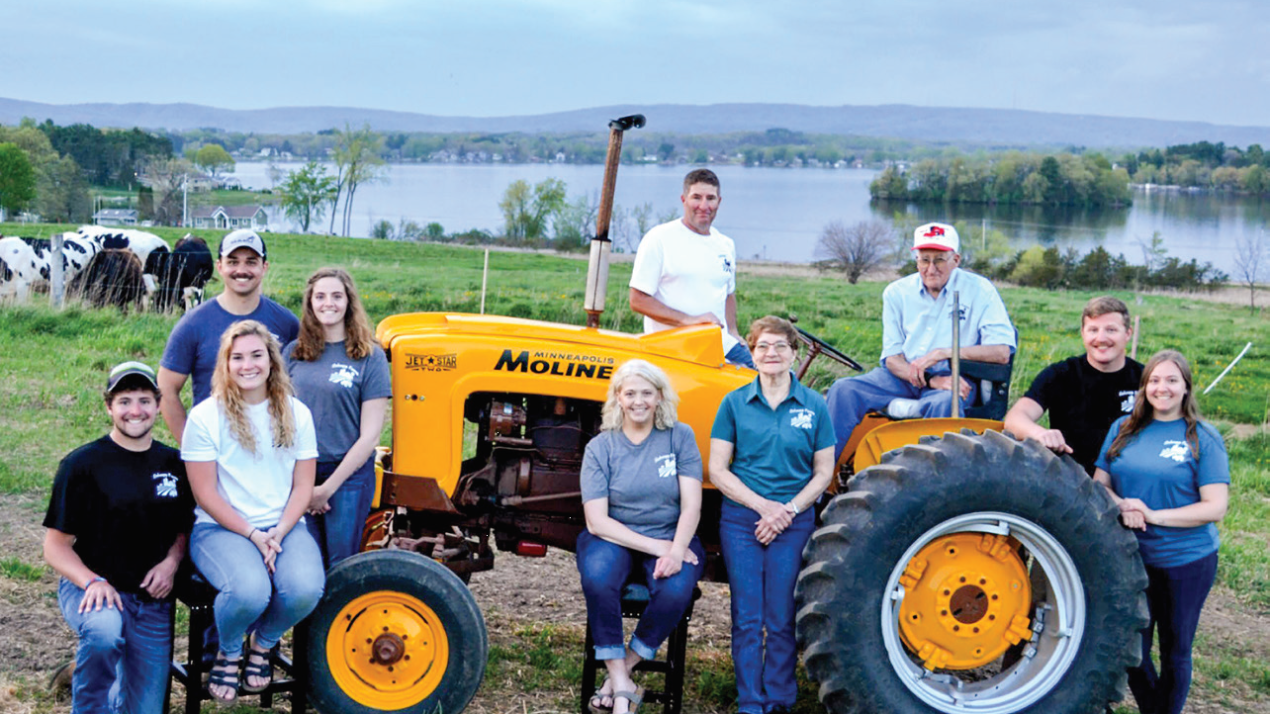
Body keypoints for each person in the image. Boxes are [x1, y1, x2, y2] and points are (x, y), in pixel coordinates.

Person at [182, 320, 325, 705]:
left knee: (305, 588)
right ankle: (230, 650)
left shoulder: (297, 413)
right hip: (222, 528)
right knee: (250, 592)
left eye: (256, 356)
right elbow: (205, 493)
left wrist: (278, 531)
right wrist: (252, 534)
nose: (248, 365)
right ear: (225, 365)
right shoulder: (205, 416)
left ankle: (262, 645)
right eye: (238, 357)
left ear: (272, 361)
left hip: (284, 525)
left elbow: (302, 487)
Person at [43, 361, 193, 714]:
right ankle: (91, 703)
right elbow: (55, 546)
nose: (135, 410)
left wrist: (172, 563)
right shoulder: (82, 465)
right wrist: (92, 581)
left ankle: (100, 677)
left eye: (144, 400)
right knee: (105, 631)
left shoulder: (174, 464)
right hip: (95, 589)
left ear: (158, 405)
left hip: (152, 601)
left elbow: (184, 528)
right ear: (109, 406)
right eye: (124, 401)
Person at [709, 316, 835, 714]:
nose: (772, 354)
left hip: (794, 523)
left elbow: (824, 472)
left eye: (781, 346)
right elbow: (717, 469)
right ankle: (750, 700)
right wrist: (763, 508)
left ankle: (779, 698)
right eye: (763, 346)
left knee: (781, 615)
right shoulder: (734, 403)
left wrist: (789, 511)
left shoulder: (814, 405)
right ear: (752, 352)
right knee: (747, 615)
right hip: (743, 521)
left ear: (794, 354)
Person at [1093, 350, 1228, 714]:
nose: (1161, 388)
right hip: (1131, 557)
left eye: (1171, 380)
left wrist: (1153, 515)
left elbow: (1215, 506)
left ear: (1185, 388)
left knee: (1175, 648)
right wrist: (1122, 505)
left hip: (1186, 560)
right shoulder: (1122, 428)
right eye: (1154, 380)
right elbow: (1099, 484)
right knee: (1130, 648)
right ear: (1144, 387)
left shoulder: (1202, 437)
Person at [577, 359, 706, 714]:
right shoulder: (601, 447)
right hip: (612, 536)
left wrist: (677, 549)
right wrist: (658, 548)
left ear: (659, 397)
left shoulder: (679, 436)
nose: (638, 401)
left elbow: (692, 506)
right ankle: (622, 686)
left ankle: (621, 674)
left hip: (671, 532)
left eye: (646, 393)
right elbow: (597, 522)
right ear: (617, 398)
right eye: (630, 393)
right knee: (599, 579)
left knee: (676, 589)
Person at [825, 222, 1015, 460]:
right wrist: (930, 379)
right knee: (844, 390)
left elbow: (1001, 352)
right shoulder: (896, 292)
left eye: (939, 259)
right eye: (924, 259)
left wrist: (944, 353)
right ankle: (819, 478)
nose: (931, 268)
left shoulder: (980, 290)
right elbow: (892, 358)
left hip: (955, 377)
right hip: (904, 376)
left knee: (945, 401)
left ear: (956, 260)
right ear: (916, 260)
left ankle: (925, 479)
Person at [284, 267, 390, 568]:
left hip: (347, 477)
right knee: (304, 562)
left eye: (336, 296)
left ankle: (339, 617)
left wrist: (326, 489)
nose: (327, 303)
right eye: (320, 296)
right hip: (299, 472)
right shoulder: (293, 353)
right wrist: (305, 487)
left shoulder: (369, 356)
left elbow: (370, 436)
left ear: (349, 302)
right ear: (309, 303)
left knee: (341, 563)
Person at [159, 228, 300, 447]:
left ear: (264, 267)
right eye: (233, 262)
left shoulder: (286, 323)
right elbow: (166, 389)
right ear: (219, 267)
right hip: (216, 448)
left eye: (251, 262)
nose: (241, 270)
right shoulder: (193, 324)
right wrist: (192, 447)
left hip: (272, 449)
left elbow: (304, 383)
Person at [629, 168, 755, 369]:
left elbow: (728, 294)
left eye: (710, 198)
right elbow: (637, 300)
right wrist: (689, 320)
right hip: (672, 348)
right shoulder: (659, 238)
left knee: (773, 380)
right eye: (696, 197)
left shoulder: (725, 244)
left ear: (719, 202)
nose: (704, 206)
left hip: (719, 345)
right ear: (683, 199)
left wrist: (732, 331)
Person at [1004, 296, 1143, 474]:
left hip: (1126, 479)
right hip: (1071, 479)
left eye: (1111, 330)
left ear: (1128, 333)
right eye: (1093, 330)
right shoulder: (1061, 374)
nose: (1101, 338)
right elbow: (1014, 418)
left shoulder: (1146, 379)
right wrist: (1040, 434)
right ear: (1083, 333)